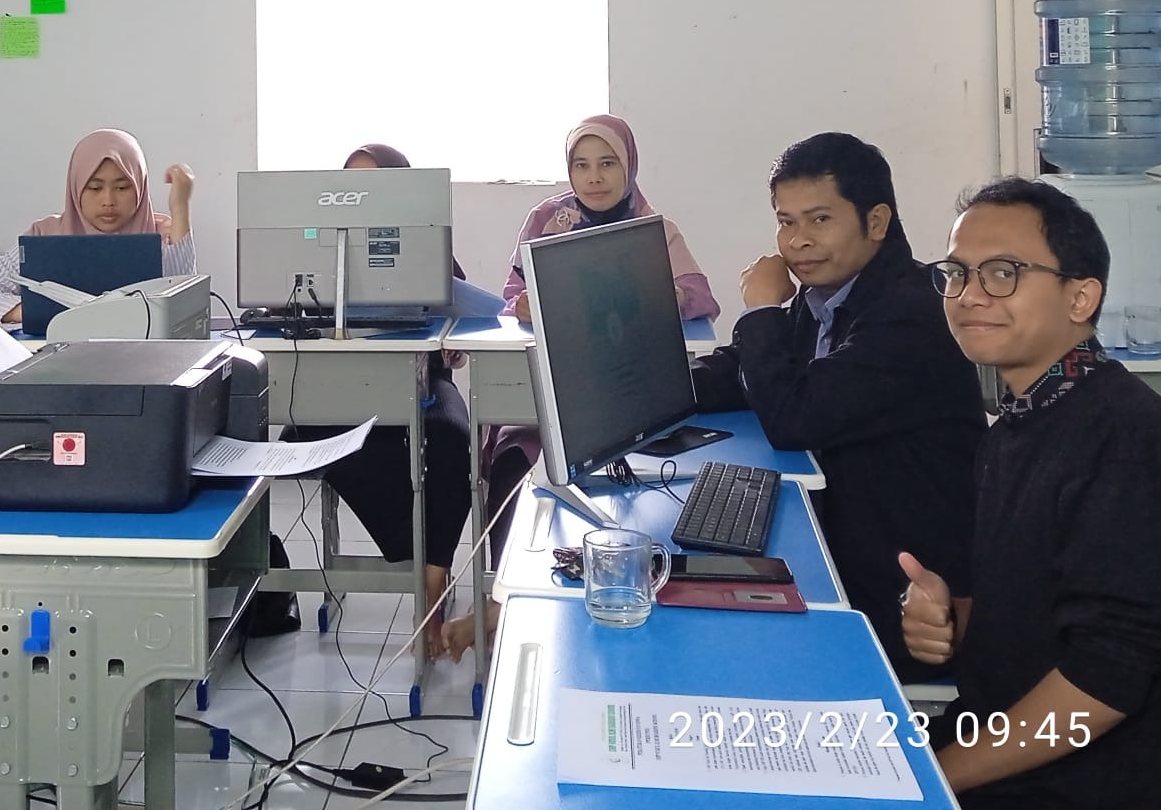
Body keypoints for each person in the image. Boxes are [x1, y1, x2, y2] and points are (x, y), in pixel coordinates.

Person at [900, 178, 1161, 806]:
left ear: (1080, 297)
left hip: (1074, 784)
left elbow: (1107, 680)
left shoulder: (1125, 437)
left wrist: (934, 780)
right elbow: (1035, 618)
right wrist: (950, 619)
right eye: (957, 274)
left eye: (1002, 273)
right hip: (994, 739)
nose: (968, 296)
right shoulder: (1020, 423)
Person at [691, 131, 984, 682]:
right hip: (850, 537)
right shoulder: (834, 294)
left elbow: (795, 418)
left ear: (876, 222)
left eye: (819, 220)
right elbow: (744, 372)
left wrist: (760, 310)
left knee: (716, 639)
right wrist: (649, 389)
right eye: (785, 221)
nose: (797, 241)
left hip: (910, 589)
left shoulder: (911, 312)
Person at [443, 113, 718, 661]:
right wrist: (524, 304)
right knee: (512, 468)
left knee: (614, 478)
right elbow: (513, 289)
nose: (594, 178)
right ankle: (511, 596)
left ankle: (571, 590)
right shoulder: (547, 218)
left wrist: (655, 296)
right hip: (543, 391)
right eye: (581, 165)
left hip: (623, 392)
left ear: (629, 167)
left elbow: (697, 294)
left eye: (608, 163)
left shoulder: (651, 225)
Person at [287, 143, 473, 661]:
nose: (362, 199)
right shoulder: (311, 248)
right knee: (346, 442)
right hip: (332, 395)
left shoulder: (425, 241)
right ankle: (419, 565)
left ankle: (430, 586)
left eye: (376, 187)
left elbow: (461, 326)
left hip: (421, 389)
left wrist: (450, 335)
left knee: (453, 439)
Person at [0, 130, 195, 324]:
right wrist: (29, 312)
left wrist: (180, 207)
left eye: (122, 188)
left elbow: (186, 300)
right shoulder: (45, 236)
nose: (108, 200)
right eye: (94, 188)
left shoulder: (162, 233)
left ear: (140, 188)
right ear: (75, 189)